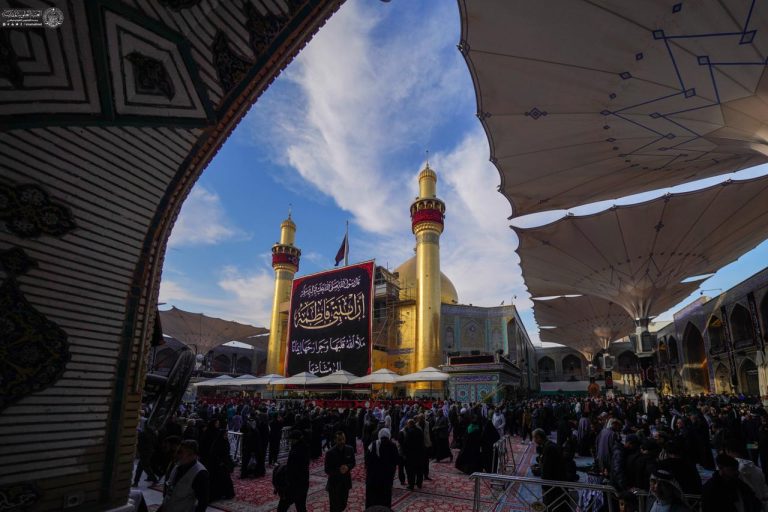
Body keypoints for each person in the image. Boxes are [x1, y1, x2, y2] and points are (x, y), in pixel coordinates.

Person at [159, 440, 209, 512]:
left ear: (192, 455)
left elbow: (203, 502)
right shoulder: (177, 465)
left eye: (181, 452)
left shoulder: (200, 473)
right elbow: (168, 488)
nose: (177, 455)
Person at [533, 428, 567, 512]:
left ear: (539, 437)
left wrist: (544, 485)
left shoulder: (549, 448)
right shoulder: (548, 445)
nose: (534, 440)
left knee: (550, 504)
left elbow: (546, 469)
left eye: (534, 438)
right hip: (556, 481)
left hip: (553, 483)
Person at [365, 428, 400, 508]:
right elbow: (397, 461)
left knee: (372, 498)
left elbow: (367, 460)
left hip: (373, 477)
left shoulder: (373, 444)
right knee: (385, 498)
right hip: (386, 478)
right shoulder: (393, 446)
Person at [277, 430, 310, 512]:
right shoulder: (305, 447)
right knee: (301, 506)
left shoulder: (295, 451)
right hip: (304, 482)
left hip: (294, 484)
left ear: (295, 439)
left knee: (282, 506)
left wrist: (287, 483)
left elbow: (291, 469)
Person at [325, 431, 356, 512]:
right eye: (339, 440)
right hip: (334, 484)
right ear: (335, 440)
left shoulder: (350, 449)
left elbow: (353, 463)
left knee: (343, 504)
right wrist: (339, 471)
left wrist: (347, 467)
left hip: (346, 482)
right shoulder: (330, 453)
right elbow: (327, 470)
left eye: (343, 439)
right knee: (334, 507)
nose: (342, 441)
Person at [402, 419, 426, 490]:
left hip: (411, 455)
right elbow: (422, 442)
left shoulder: (409, 432)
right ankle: (419, 484)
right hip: (419, 454)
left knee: (411, 471)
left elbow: (406, 444)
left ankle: (411, 485)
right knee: (419, 470)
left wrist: (404, 453)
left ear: (410, 424)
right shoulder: (419, 431)